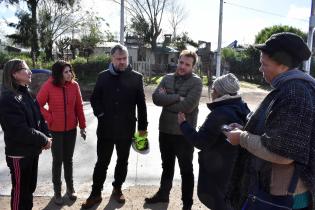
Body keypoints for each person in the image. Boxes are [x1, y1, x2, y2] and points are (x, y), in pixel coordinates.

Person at [225, 32, 315, 210]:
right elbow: (278, 134)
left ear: (282, 66)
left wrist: (241, 138)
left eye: (263, 64)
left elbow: (283, 153)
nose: (260, 69)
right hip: (279, 194)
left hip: (283, 200)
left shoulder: (295, 93)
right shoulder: (291, 88)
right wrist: (246, 129)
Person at [81, 44, 148, 209]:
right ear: (112, 59)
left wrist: (142, 127)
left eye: (124, 58)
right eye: (119, 59)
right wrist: (101, 114)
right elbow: (95, 98)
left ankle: (117, 189)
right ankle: (95, 193)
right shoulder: (103, 77)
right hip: (106, 129)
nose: (122, 62)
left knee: (122, 161)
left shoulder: (136, 77)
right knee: (102, 162)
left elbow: (142, 104)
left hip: (126, 129)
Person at [177, 73, 250, 210]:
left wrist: (183, 124)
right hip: (236, 166)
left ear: (219, 92)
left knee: (218, 201)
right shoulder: (243, 106)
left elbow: (200, 141)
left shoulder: (219, 113)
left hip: (219, 169)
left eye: (213, 89)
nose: (212, 92)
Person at [145, 50, 202, 210]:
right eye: (181, 62)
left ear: (193, 67)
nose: (182, 66)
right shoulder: (167, 78)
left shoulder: (196, 83)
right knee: (166, 166)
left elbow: (188, 106)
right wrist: (177, 97)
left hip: (184, 133)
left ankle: (187, 203)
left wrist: (167, 99)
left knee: (186, 169)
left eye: (187, 64)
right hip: (165, 131)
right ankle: (163, 195)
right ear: (178, 61)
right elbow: (156, 98)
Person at [0, 59, 52, 210]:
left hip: (32, 151)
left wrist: (47, 135)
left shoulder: (28, 93)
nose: (30, 72)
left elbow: (39, 118)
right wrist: (43, 140)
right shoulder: (7, 98)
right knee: (20, 192)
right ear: (14, 74)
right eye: (25, 69)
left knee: (29, 190)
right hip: (19, 155)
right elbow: (19, 130)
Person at [36, 60, 86, 205]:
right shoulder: (49, 86)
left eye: (70, 71)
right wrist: (50, 117)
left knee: (68, 160)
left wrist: (82, 126)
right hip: (56, 131)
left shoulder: (74, 86)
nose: (70, 74)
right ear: (59, 73)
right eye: (66, 72)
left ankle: (70, 188)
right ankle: (57, 192)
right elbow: (37, 105)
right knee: (57, 161)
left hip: (71, 129)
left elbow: (79, 107)